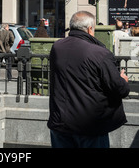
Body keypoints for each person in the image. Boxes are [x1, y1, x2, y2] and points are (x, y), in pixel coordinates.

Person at [47, 11, 129, 148]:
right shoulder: (99, 53)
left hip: (60, 123)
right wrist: (123, 80)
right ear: (90, 29)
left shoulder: (57, 47)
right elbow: (119, 89)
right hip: (89, 127)